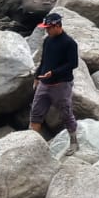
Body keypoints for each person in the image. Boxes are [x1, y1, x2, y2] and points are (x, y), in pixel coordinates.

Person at [29, 10, 80, 154]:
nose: (47, 31)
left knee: (65, 114)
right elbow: (44, 60)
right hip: (44, 84)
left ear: (58, 26)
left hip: (61, 85)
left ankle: (74, 142)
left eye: (49, 28)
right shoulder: (47, 41)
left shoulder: (69, 43)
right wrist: (37, 77)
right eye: (46, 28)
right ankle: (32, 146)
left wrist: (54, 72)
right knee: (36, 113)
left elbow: (73, 63)